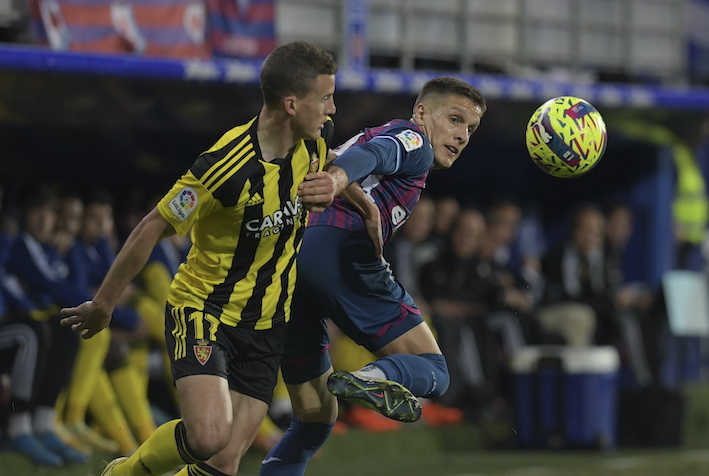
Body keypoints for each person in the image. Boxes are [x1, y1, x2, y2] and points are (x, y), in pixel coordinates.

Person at [59, 40, 339, 476]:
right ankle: (123, 473)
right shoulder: (223, 167)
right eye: (324, 97)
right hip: (203, 311)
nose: (332, 109)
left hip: (266, 326)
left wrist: (360, 203)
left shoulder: (315, 149)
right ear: (290, 103)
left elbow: (338, 172)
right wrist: (105, 304)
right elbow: (152, 225)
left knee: (223, 463)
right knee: (208, 436)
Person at [261, 77, 486, 476]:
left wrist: (343, 183)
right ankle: (372, 378)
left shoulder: (376, 134)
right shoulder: (413, 140)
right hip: (341, 253)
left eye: (470, 128)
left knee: (313, 419)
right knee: (434, 371)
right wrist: (337, 181)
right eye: (454, 119)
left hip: (292, 264)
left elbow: (354, 154)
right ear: (421, 112)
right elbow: (375, 157)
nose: (462, 135)